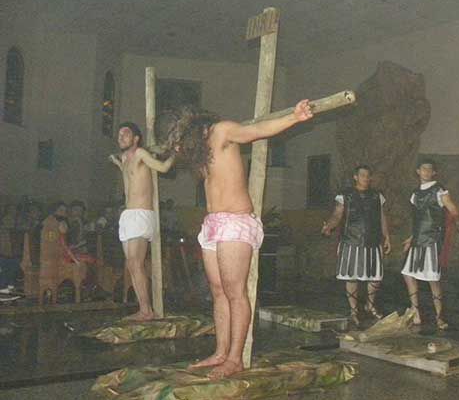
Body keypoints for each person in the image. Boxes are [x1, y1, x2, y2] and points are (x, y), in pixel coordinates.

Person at [166, 100, 313, 379]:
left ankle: (235, 359)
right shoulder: (202, 151)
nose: (179, 148)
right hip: (213, 225)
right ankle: (221, 352)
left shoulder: (221, 131)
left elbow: (257, 131)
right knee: (218, 292)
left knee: (235, 293)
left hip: (236, 223)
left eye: (179, 141)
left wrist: (294, 117)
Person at [109, 122, 175, 321]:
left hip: (141, 214)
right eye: (119, 134)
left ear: (136, 138)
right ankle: (143, 309)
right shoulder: (125, 158)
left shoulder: (140, 153)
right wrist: (117, 163)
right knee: (131, 264)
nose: (121, 137)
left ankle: (147, 310)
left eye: (126, 134)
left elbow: (163, 167)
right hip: (129, 215)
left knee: (136, 263)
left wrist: (175, 153)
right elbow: (127, 176)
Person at [322, 165, 391, 327]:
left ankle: (370, 305)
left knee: (375, 277)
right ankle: (353, 310)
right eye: (362, 175)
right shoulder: (345, 195)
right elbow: (337, 214)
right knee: (351, 276)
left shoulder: (377, 195)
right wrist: (329, 226)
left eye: (368, 175)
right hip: (351, 240)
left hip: (373, 240)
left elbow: (382, 217)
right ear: (355, 177)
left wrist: (386, 236)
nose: (365, 178)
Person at [401, 158, 459, 330]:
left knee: (432, 279)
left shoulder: (439, 190)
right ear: (418, 171)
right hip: (417, 240)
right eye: (424, 169)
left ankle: (439, 316)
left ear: (434, 172)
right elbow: (418, 219)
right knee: (408, 274)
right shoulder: (415, 194)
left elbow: (453, 209)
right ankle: (415, 311)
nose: (426, 172)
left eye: (430, 169)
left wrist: (458, 223)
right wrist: (411, 238)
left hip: (432, 240)